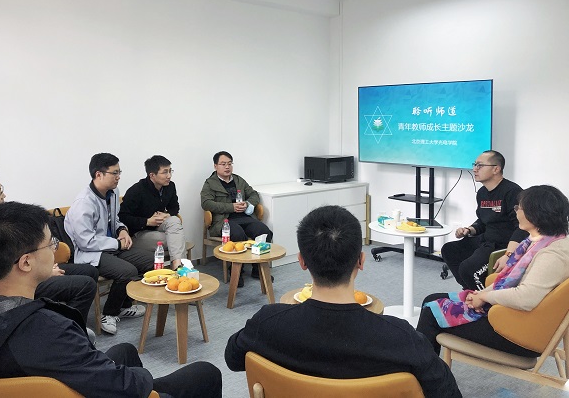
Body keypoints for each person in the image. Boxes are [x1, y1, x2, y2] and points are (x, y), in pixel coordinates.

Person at [0, 201, 223, 398]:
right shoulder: (47, 331)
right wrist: (146, 384)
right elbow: (123, 385)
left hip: (26, 378)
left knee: (124, 351)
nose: (55, 250)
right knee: (205, 373)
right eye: (51, 244)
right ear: (26, 262)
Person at [225, 205, 461, 397]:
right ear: (361, 261)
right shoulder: (402, 338)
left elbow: (233, 359)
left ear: (302, 261)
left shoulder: (267, 323)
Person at [417, 185, 569, 357]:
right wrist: (480, 294)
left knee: (431, 312)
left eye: (519, 208)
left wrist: (484, 297)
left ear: (535, 214)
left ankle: (423, 370)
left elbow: (525, 298)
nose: (517, 212)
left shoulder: (551, 255)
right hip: (513, 316)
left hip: (518, 333)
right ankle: (424, 367)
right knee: (432, 299)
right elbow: (507, 282)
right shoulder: (542, 242)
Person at [0, 170, 98, 324]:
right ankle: (65, 327)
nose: (3, 196)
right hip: (15, 279)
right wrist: (45, 271)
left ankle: (65, 321)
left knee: (89, 271)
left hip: (27, 264)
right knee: (85, 285)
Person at [65, 153, 148, 335]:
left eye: (119, 172)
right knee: (127, 271)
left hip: (111, 245)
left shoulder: (113, 193)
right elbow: (86, 241)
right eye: (114, 173)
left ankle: (124, 305)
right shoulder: (84, 203)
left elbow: (114, 219)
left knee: (149, 261)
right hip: (90, 252)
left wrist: (122, 230)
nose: (118, 177)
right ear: (98, 174)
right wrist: (117, 244)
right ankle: (109, 313)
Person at [442, 150, 528, 290]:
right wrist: (469, 230)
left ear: (496, 169)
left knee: (468, 269)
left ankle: (483, 299)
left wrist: (509, 255)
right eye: (475, 165)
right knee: (449, 250)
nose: (475, 169)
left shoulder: (512, 192)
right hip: (486, 241)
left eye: (480, 165)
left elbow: (522, 227)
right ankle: (469, 290)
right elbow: (483, 221)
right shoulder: (482, 193)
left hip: (503, 245)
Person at [201, 151, 273, 287]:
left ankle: (258, 268)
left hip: (245, 217)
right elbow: (206, 203)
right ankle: (236, 272)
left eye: (229, 163)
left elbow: (254, 194)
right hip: (224, 221)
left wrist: (248, 204)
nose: (227, 167)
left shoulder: (238, 180)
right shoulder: (210, 183)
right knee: (237, 234)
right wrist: (231, 207)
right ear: (215, 166)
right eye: (223, 164)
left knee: (264, 231)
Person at [119, 155, 185, 270]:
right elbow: (122, 217)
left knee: (174, 220)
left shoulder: (170, 186)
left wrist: (167, 214)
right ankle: (181, 267)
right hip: (138, 233)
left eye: (170, 171)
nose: (169, 176)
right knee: (174, 238)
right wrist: (147, 221)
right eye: (165, 172)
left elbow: (175, 207)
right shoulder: (136, 190)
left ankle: (177, 265)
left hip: (158, 227)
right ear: (152, 175)